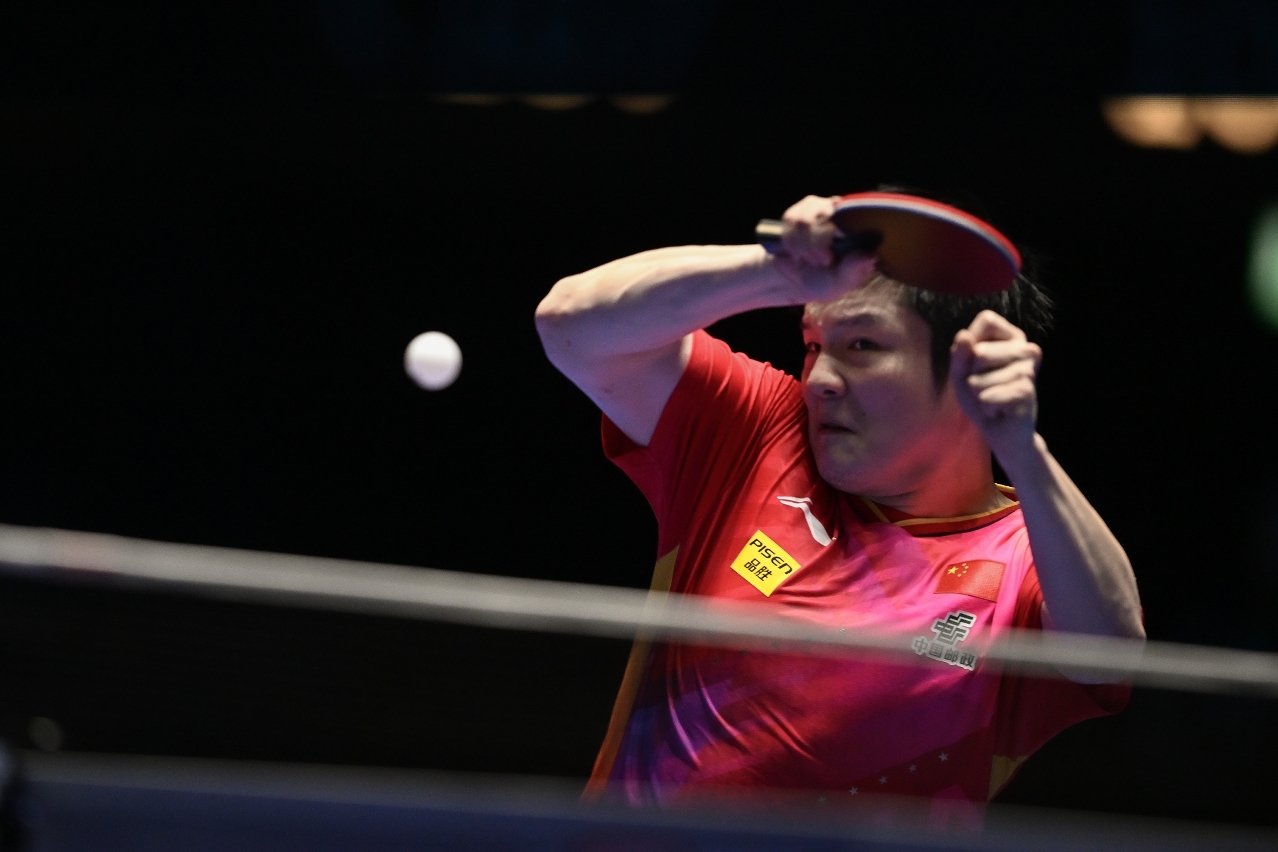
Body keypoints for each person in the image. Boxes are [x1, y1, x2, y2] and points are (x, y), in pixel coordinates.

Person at [534, 193, 1144, 816]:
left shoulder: (1028, 557)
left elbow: (1110, 649)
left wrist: (1023, 450)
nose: (820, 379)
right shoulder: (758, 430)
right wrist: (777, 272)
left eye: (861, 346)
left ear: (967, 368)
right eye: (811, 345)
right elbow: (569, 325)